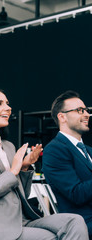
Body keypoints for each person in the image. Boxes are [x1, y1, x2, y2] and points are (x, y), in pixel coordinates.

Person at [0, 87, 88, 240]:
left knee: (75, 221)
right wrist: (12, 171)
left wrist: (24, 168)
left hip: (23, 219)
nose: (8, 107)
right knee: (51, 237)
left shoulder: (8, 146)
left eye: (7, 103)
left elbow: (22, 195)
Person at [43, 90, 92, 238]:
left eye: (86, 110)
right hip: (82, 223)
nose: (86, 114)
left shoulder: (89, 150)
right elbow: (76, 193)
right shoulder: (54, 150)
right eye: (79, 110)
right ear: (62, 117)